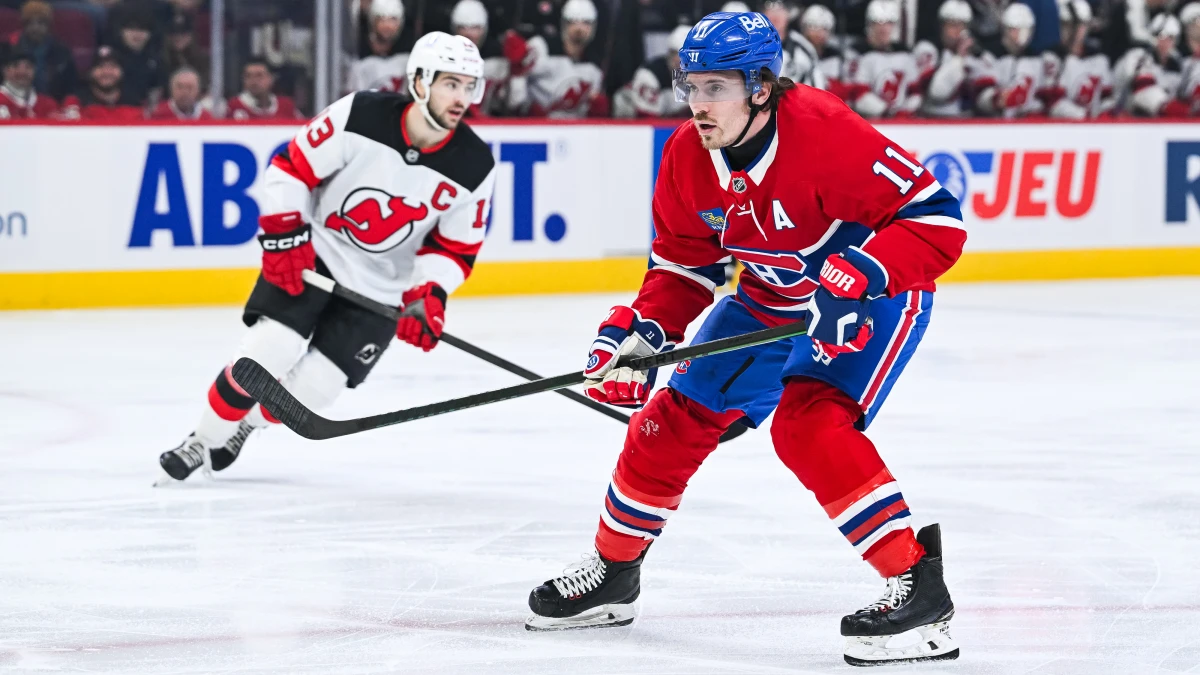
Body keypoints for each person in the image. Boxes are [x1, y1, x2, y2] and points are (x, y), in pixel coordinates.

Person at [524, 10, 966, 667]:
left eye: (715, 89)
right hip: (771, 298)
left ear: (762, 87)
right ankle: (614, 573)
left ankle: (918, 589)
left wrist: (867, 272)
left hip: (870, 292)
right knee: (664, 424)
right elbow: (682, 266)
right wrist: (643, 331)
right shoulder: (685, 156)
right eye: (689, 86)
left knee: (806, 424)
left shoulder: (823, 132)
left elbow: (936, 220)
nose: (698, 105)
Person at [157, 33, 498, 483]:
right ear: (420, 80)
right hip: (316, 258)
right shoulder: (361, 113)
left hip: (381, 290)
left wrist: (428, 293)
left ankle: (246, 425)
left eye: (469, 86)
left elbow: (454, 248)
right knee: (267, 351)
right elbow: (292, 167)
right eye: (450, 84)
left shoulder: (475, 164)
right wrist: (285, 234)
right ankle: (201, 440)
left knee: (315, 390)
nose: (461, 98)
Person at [507, 0, 609, 117]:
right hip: (536, 126)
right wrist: (527, 108)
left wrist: (597, 112)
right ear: (564, 23)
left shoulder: (594, 66)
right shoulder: (541, 47)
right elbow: (515, 95)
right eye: (573, 22)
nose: (579, 28)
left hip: (574, 130)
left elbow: (591, 107)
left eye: (586, 23)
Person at [913, 0, 996, 116]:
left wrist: (996, 99)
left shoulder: (979, 55)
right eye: (952, 25)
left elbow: (986, 94)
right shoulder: (928, 50)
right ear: (941, 26)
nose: (958, 31)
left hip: (967, 120)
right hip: (933, 119)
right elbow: (936, 93)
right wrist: (958, 59)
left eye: (962, 26)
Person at [845, 0, 923, 117]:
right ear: (869, 25)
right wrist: (888, 112)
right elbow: (857, 95)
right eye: (878, 23)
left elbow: (915, 92)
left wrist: (905, 111)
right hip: (867, 120)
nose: (883, 28)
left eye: (888, 23)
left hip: (901, 121)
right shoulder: (857, 53)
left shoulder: (905, 53)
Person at [1039, 0, 1115, 118]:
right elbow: (1052, 103)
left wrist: (1104, 116)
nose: (1067, 30)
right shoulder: (1051, 58)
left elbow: (1107, 97)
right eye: (1064, 24)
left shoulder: (1099, 58)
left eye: (1081, 25)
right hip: (1063, 129)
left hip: (1095, 128)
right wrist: (1083, 116)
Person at [976, 3, 1048, 117]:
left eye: (1024, 30)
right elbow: (979, 96)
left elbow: (1042, 96)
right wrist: (996, 99)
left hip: (1027, 123)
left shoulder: (1037, 59)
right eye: (1013, 29)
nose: (1018, 35)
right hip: (996, 122)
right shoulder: (991, 55)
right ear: (1004, 29)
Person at [613, 24, 692, 118]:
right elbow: (647, 117)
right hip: (629, 119)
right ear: (670, 54)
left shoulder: (697, 75)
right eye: (678, 54)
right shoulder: (649, 74)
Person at [450, 0, 510, 116]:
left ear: (484, 29)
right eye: (463, 27)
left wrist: (518, 74)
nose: (469, 34)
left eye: (475, 28)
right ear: (454, 29)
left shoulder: (496, 62)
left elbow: (512, 103)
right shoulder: (442, 59)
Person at [9, 0, 78, 102]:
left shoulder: (62, 51)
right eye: (30, 23)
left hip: (53, 105)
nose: (35, 28)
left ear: (49, 25)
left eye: (41, 23)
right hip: (17, 104)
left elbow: (70, 88)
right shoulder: (12, 50)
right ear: (23, 25)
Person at [60, 45, 144, 120]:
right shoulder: (77, 102)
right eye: (100, 66)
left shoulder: (134, 103)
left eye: (113, 66)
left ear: (122, 72)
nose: (107, 72)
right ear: (90, 72)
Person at [346, 0, 409, 93]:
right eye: (382, 19)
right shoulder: (358, 58)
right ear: (373, 21)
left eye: (392, 19)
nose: (387, 25)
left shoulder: (407, 57)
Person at [108, 2, 163, 105]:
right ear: (121, 31)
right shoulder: (111, 60)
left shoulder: (156, 61)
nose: (137, 34)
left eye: (143, 29)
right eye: (131, 28)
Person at [226, 58, 304, 120]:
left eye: (259, 76)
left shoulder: (286, 105)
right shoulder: (233, 106)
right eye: (248, 76)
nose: (253, 81)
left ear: (271, 79)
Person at [0, 47, 59, 118]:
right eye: (15, 66)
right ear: (5, 70)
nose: (22, 72)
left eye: (28, 67)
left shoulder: (47, 104)